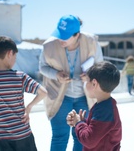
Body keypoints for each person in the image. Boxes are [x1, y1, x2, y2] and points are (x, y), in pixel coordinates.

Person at [39, 14, 103, 151]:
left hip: (84, 98)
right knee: (59, 137)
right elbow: (42, 67)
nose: (61, 38)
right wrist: (56, 75)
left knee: (81, 137)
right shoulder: (49, 45)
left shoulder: (92, 42)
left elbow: (101, 65)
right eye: (59, 34)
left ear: (77, 35)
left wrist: (91, 75)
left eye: (65, 35)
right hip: (59, 97)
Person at [0, 36, 48, 151]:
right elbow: (43, 92)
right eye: (15, 56)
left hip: (0, 137)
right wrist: (29, 107)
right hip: (22, 133)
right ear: (10, 53)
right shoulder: (19, 76)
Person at [66, 61, 122, 151]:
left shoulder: (104, 110)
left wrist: (78, 123)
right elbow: (99, 132)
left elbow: (89, 140)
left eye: (87, 81)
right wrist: (82, 122)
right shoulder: (105, 106)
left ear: (94, 83)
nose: (85, 84)